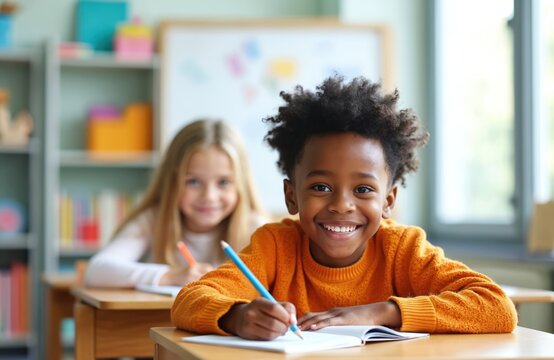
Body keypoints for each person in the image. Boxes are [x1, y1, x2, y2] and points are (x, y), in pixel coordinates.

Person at [171, 76, 517, 340]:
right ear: (292, 196)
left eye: (364, 189)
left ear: (388, 202)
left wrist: (382, 312)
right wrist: (239, 316)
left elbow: (496, 307)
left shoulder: (402, 249)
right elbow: (189, 299)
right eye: (321, 187)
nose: (341, 205)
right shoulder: (274, 246)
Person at [84, 119, 267, 287]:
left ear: (241, 184)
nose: (209, 196)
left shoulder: (255, 229)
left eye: (223, 182)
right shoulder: (153, 221)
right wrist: (171, 276)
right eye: (193, 182)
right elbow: (97, 271)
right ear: (171, 181)